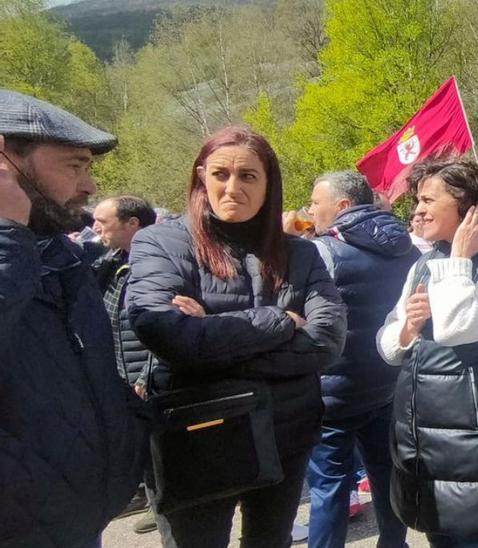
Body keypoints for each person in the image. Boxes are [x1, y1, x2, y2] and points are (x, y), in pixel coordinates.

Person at [126, 126, 347, 547]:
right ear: (200, 177)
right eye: (221, 174)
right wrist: (280, 321)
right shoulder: (161, 243)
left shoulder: (300, 253)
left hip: (286, 431)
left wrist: (208, 333)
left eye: (248, 176)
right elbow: (166, 333)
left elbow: (327, 340)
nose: (233, 188)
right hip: (198, 432)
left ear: (268, 184)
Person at [0, 91, 147, 548]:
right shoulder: (15, 250)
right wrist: (6, 236)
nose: (87, 186)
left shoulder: (56, 255)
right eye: (73, 166)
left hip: (74, 518)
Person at [377, 156, 478, 548]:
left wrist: (461, 259)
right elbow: (387, 343)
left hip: (474, 448)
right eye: (417, 201)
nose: (418, 211)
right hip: (423, 443)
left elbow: (456, 327)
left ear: (468, 207)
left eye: (429, 200)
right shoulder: (427, 263)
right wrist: (408, 328)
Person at [305, 171, 416, 548]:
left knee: (330, 487)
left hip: (332, 392)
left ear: (342, 206)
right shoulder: (408, 246)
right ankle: (394, 544)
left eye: (315, 202)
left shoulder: (322, 251)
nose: (310, 210)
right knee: (386, 473)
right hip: (386, 380)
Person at [90, 195, 160, 535]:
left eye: (103, 222)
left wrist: (146, 374)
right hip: (120, 370)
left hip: (145, 373)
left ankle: (160, 501)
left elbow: (159, 326)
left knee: (157, 443)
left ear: (133, 224)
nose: (95, 228)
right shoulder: (110, 262)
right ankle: (146, 495)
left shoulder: (156, 263)